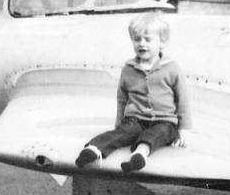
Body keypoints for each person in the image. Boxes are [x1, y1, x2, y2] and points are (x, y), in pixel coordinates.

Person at [75, 12, 191, 173]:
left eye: (148, 39)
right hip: (135, 119)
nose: (141, 44)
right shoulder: (128, 69)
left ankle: (140, 155)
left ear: (162, 43)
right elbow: (122, 99)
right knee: (122, 133)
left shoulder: (171, 68)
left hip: (165, 121)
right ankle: (94, 149)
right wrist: (119, 122)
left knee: (158, 134)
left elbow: (183, 100)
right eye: (137, 39)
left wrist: (184, 130)